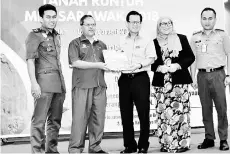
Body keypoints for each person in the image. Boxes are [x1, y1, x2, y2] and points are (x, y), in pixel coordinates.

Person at [190, 7, 230, 151]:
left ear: (215, 20)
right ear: (200, 19)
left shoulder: (222, 35)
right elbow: (193, 59)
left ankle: (223, 139)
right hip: (202, 75)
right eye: (204, 18)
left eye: (210, 18)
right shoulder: (195, 37)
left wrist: (229, 74)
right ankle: (209, 138)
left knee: (222, 108)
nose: (207, 21)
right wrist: (193, 78)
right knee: (206, 109)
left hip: (218, 75)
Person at [25, 4, 66, 153]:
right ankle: (37, 151)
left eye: (54, 17)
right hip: (43, 84)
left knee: (55, 122)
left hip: (59, 84)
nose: (52, 20)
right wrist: (34, 84)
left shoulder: (56, 35)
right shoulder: (34, 35)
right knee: (39, 121)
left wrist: (63, 86)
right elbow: (30, 61)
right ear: (41, 18)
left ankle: (52, 150)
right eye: (48, 17)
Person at [151, 17, 195, 153]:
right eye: (163, 23)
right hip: (161, 85)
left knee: (180, 113)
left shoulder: (181, 38)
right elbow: (150, 62)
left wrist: (178, 65)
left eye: (169, 23)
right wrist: (158, 68)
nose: (166, 25)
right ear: (158, 26)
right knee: (164, 114)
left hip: (179, 84)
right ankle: (166, 144)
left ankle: (182, 144)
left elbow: (190, 57)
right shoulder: (153, 42)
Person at [68, 15, 109, 153]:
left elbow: (108, 64)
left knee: (98, 119)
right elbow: (75, 63)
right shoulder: (75, 43)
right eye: (88, 24)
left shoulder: (102, 45)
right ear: (81, 26)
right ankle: (75, 149)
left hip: (100, 86)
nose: (91, 27)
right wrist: (97, 64)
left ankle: (95, 147)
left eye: (93, 24)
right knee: (79, 120)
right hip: (82, 87)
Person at [118, 11, 157, 154]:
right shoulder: (121, 40)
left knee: (143, 112)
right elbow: (117, 58)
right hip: (124, 80)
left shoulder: (147, 40)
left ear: (141, 23)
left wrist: (139, 65)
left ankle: (143, 145)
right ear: (127, 23)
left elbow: (151, 58)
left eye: (138, 22)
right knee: (125, 113)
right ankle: (129, 145)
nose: (135, 24)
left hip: (140, 78)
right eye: (132, 22)